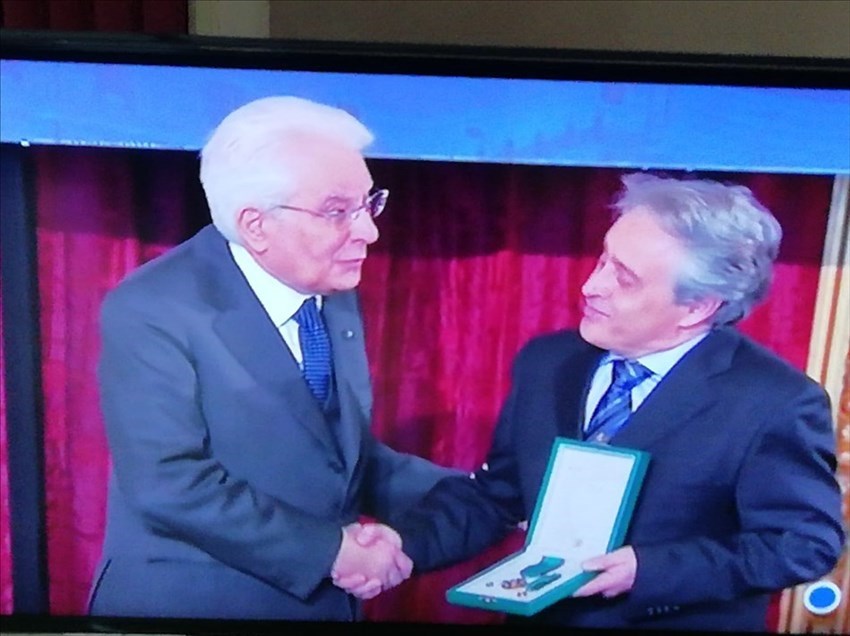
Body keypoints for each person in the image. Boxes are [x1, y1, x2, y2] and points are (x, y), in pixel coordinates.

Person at [341, 172, 845, 631]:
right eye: (604, 259)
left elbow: (803, 544)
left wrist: (649, 570)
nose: (591, 285)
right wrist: (404, 544)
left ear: (696, 307)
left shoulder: (774, 402)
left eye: (624, 278)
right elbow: (498, 494)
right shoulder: (548, 362)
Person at [87, 96, 455, 621]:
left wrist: (488, 498)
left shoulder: (328, 287)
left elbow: (334, 455)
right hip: (194, 607)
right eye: (337, 212)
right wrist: (330, 552)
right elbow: (169, 483)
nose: (369, 231)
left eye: (369, 204)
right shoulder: (154, 307)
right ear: (256, 225)